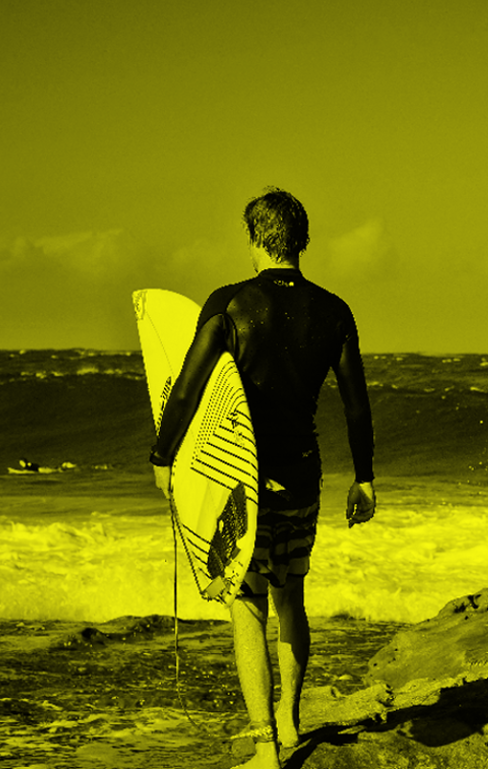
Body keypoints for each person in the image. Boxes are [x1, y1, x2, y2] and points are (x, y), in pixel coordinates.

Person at [149, 188, 376, 769]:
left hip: (239, 480)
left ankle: (264, 747)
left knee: (246, 604)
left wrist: (162, 455)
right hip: (302, 476)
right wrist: (365, 477)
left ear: (255, 239)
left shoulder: (229, 305)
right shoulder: (334, 311)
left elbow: (188, 388)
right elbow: (355, 404)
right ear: (301, 241)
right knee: (290, 597)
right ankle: (291, 722)